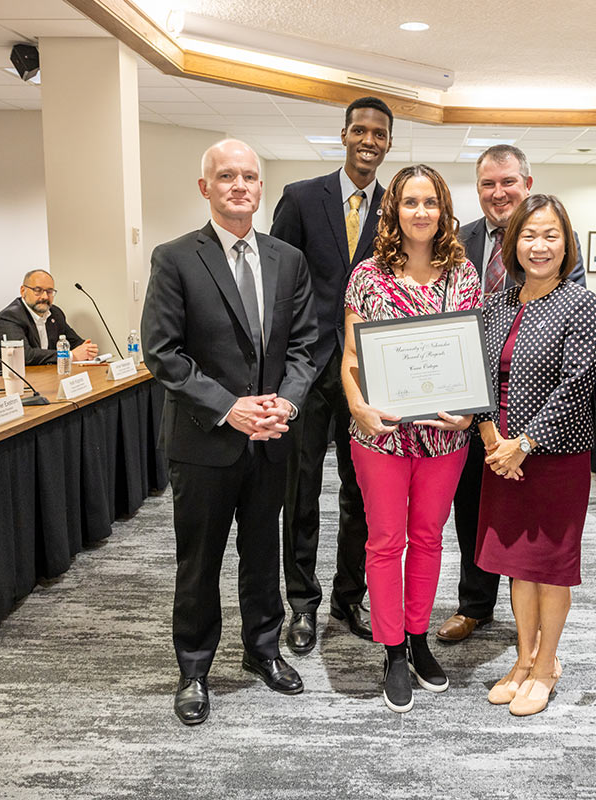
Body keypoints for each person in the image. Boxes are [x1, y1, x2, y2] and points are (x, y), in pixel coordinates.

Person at [141, 139, 317, 726]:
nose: (239, 185)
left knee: (263, 554)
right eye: (226, 177)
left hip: (270, 439)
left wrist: (284, 407)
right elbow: (163, 354)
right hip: (203, 440)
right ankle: (194, 668)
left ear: (260, 188)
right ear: (205, 188)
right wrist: (230, 407)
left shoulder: (286, 259)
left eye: (248, 177)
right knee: (200, 560)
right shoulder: (175, 258)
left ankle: (263, 652)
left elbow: (304, 347)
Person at [340, 164, 481, 713]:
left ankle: (419, 638)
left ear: (443, 211)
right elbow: (350, 358)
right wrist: (357, 406)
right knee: (384, 542)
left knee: (427, 540)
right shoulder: (367, 277)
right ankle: (392, 648)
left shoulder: (463, 274)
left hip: (445, 439)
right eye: (410, 202)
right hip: (381, 437)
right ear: (392, 210)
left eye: (430, 202)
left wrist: (469, 416)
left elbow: (470, 357)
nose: (420, 212)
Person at [438, 144, 586, 644]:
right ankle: (475, 604)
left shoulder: (566, 275)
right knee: (475, 518)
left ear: (527, 184)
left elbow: (575, 372)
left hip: (544, 436)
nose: (497, 193)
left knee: (540, 551)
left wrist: (521, 442)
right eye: (487, 184)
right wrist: (490, 434)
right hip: (481, 423)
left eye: (507, 183)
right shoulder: (456, 243)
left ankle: (541, 652)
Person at [270, 96, 394, 654]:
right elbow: (278, 287)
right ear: (344, 134)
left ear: (388, 143)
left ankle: (349, 596)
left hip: (369, 373)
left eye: (380, 134)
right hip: (307, 367)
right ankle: (301, 602)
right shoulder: (300, 198)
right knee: (300, 491)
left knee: (363, 492)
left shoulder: (397, 208)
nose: (369, 140)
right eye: (361, 130)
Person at [474, 195, 596, 717]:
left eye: (550, 235)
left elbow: (577, 384)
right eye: (529, 235)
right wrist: (493, 441)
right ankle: (523, 659)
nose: (539, 246)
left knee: (549, 567)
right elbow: (479, 378)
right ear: (513, 243)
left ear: (566, 242)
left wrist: (522, 443)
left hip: (553, 458)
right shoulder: (498, 302)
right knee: (517, 567)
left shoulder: (581, 303)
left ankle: (547, 663)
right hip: (499, 456)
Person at [0, 270, 98, 375]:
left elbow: (74, 342)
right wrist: (71, 356)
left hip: (44, 375)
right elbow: (25, 356)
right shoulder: (9, 317)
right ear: (23, 291)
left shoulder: (55, 313)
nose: (44, 297)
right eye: (38, 291)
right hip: (6, 383)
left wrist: (87, 349)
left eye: (49, 291)